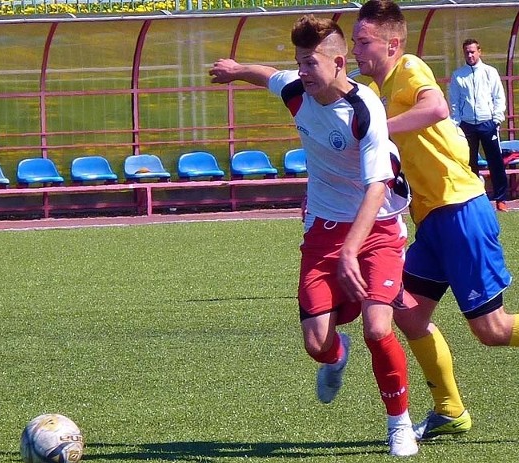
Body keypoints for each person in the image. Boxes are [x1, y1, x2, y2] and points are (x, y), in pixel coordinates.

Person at [352, 0, 519, 441]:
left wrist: (379, 127)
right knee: (410, 315)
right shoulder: (377, 90)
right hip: (433, 221)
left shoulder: (408, 67)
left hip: (461, 211)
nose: (356, 49)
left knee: (491, 329)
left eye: (363, 41)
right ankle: (450, 409)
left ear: (392, 43)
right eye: (354, 40)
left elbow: (437, 108)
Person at [210, 15, 418, 457]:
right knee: (316, 344)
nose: (301, 73)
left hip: (378, 226)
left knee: (379, 328)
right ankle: (335, 355)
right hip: (324, 229)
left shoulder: (366, 110)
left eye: (309, 64)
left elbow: (376, 185)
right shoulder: (296, 91)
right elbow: (269, 75)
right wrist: (235, 69)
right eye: (299, 63)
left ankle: (399, 424)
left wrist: (352, 249)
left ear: (339, 62)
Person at [449, 38, 509, 212]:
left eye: (472, 51)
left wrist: (496, 119)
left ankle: (500, 199)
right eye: (467, 52)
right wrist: (456, 122)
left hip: (487, 123)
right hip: (467, 125)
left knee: (495, 162)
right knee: (469, 163)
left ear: (479, 52)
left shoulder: (490, 72)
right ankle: (474, 200)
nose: (470, 55)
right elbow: (454, 101)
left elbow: (498, 96)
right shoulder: (458, 75)